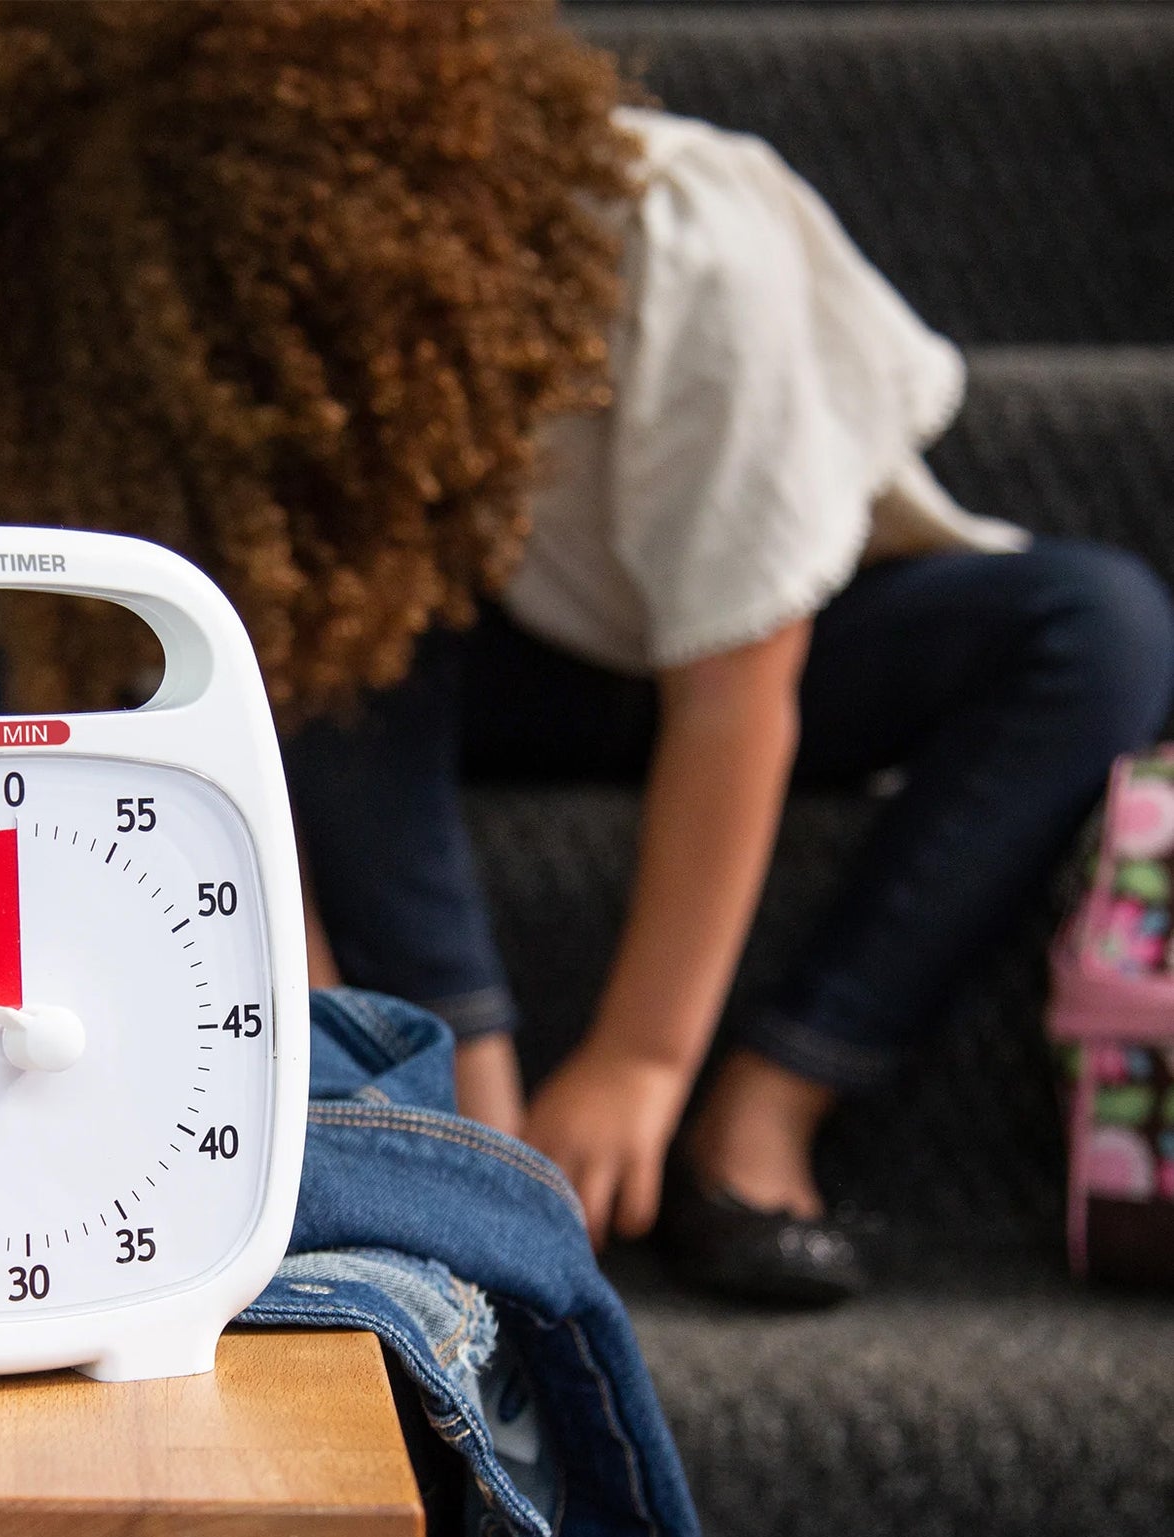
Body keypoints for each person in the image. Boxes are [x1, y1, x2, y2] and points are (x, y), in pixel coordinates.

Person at [282, 105, 1174, 1300]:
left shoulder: (682, 229)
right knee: (343, 630)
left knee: (1098, 626)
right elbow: (240, 653)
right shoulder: (209, 291)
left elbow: (738, 687)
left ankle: (766, 1103)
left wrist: (640, 1059)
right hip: (480, 654)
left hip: (753, 650)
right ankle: (461, 1120)